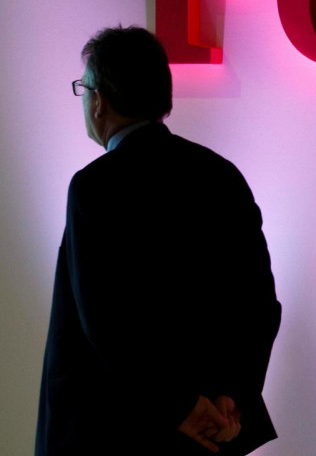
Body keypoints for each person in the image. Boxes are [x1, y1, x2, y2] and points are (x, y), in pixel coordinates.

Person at [36, 26, 282, 454]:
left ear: (99, 101)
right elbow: (260, 305)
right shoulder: (221, 176)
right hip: (212, 436)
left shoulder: (95, 188)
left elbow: (106, 320)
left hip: (109, 432)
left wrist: (180, 406)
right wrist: (233, 397)